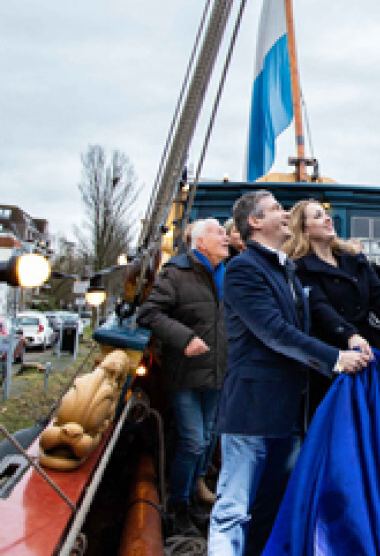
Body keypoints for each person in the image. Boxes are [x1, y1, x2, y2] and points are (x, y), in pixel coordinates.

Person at [208, 190, 373, 556]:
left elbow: (310, 324)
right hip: (251, 410)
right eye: (277, 210)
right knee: (233, 507)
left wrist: (350, 338)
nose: (286, 215)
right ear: (254, 222)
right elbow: (273, 331)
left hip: (287, 409)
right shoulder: (243, 269)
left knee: (273, 504)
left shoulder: (287, 271)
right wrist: (336, 358)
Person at [135, 218, 231, 537]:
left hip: (217, 373)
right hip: (186, 373)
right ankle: (177, 506)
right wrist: (185, 338)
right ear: (200, 241)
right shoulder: (176, 273)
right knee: (192, 441)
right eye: (219, 232)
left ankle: (189, 504)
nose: (225, 236)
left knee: (205, 441)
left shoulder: (227, 274)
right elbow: (149, 314)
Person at [285, 200, 380, 351]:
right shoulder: (300, 268)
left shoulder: (355, 259)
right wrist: (350, 335)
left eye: (326, 214)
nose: (328, 219)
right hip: (330, 353)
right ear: (304, 231)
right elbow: (319, 308)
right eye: (318, 216)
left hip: (367, 347)